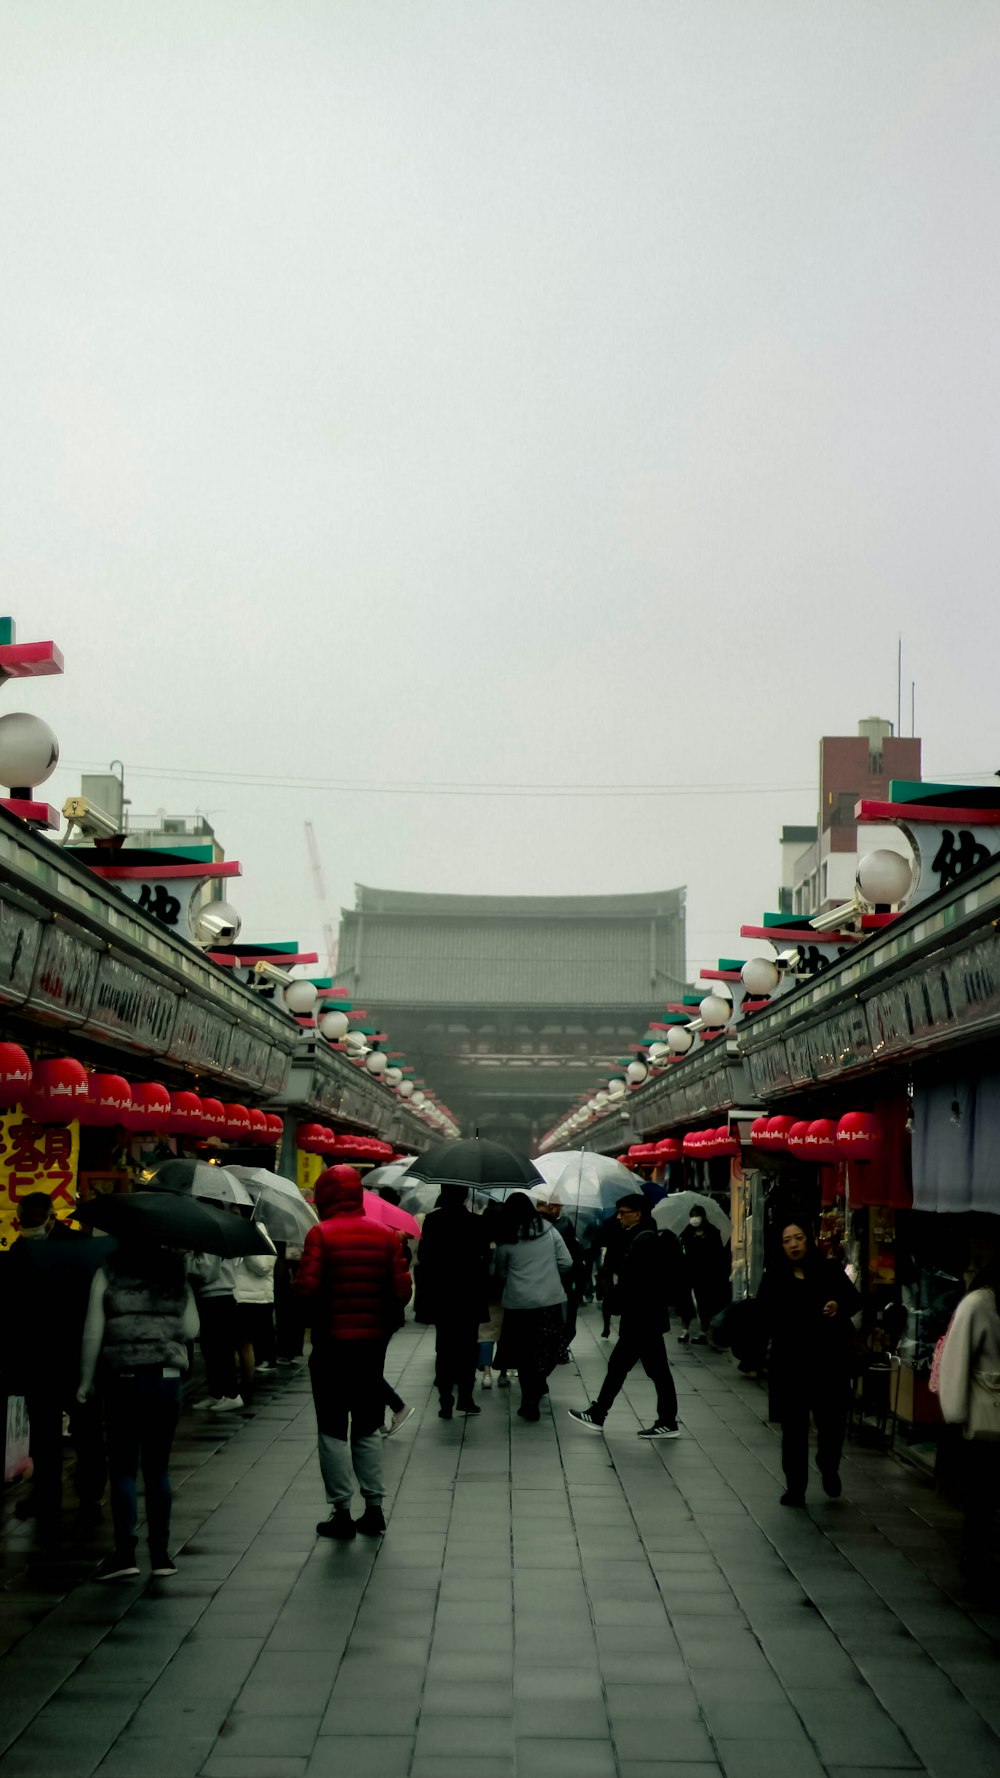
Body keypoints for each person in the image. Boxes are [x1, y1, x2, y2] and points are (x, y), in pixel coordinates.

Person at [296, 1164, 412, 1540]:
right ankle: (375, 1508)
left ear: (325, 1195)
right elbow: (402, 1292)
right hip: (370, 1347)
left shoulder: (320, 1235)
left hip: (330, 1346)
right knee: (366, 1426)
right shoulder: (386, 1236)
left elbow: (306, 1291)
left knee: (331, 1429)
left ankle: (342, 1512)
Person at [77, 1240, 199, 1580]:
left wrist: (85, 1381)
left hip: (124, 1379)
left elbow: (93, 1331)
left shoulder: (109, 1269)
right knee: (158, 1469)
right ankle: (161, 1556)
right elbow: (192, 1329)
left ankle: (125, 1554)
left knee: (123, 1468)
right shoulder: (176, 1270)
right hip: (166, 1379)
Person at [0, 1192, 109, 1540]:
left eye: (35, 1220)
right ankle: (47, 1495)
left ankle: (90, 1496)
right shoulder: (19, 1251)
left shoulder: (80, 1247)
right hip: (38, 1358)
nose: (30, 1227)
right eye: (25, 1221)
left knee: (87, 1431)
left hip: (79, 1355)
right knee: (44, 1434)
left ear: (51, 1217)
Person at [756, 1218, 861, 1506]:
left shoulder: (829, 1270)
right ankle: (795, 1486)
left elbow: (854, 1300)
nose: (793, 1244)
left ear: (808, 1239)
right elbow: (763, 1314)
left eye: (798, 1237)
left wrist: (838, 1305)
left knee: (832, 1424)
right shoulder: (775, 1275)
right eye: (787, 1239)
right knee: (793, 1430)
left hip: (829, 1363)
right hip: (791, 1364)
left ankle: (828, 1466)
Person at [569, 1194, 683, 1438]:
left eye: (623, 1212)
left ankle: (665, 1421)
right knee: (635, 1368)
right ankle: (601, 1413)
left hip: (642, 1318)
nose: (618, 1217)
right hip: (645, 1317)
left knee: (640, 1369)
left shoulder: (644, 1240)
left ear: (638, 1214)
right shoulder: (642, 1236)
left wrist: (613, 1296)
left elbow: (634, 1282)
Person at [938, 1256, 1000, 1574]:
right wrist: (956, 1413)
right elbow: (956, 1360)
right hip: (986, 1415)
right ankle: (975, 1554)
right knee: (982, 1492)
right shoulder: (979, 1303)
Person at [492, 1193, 573, 1421]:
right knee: (548, 1348)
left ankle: (530, 1398)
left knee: (524, 1353)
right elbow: (567, 1263)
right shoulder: (550, 1231)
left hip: (518, 1304)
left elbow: (499, 1271)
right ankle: (537, 1385)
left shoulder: (506, 1237)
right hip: (549, 1301)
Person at [415, 1185, 491, 1419]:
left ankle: (445, 1400)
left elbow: (424, 1256)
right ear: (466, 1196)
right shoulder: (476, 1223)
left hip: (442, 1295)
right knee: (468, 1347)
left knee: (444, 1347)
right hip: (469, 1294)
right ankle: (466, 1398)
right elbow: (484, 1256)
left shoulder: (432, 1220)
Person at [189, 1248, 243, 1412]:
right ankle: (217, 1393)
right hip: (211, 1297)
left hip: (218, 1298)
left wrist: (185, 1258)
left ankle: (232, 1394)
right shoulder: (209, 1242)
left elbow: (206, 1271)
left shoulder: (212, 1244)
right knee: (210, 1348)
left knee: (221, 1349)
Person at [535, 1197, 584, 1360]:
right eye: (557, 1206)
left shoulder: (530, 1226)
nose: (560, 1209)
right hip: (560, 1283)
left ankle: (554, 1348)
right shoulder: (561, 1226)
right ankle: (558, 1348)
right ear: (549, 1206)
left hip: (541, 1284)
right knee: (564, 1321)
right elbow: (569, 1261)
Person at [233, 1235, 277, 1407]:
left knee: (245, 1343)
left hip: (253, 1298)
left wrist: (245, 1247)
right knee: (237, 1343)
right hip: (239, 1295)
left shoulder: (261, 1238)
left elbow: (263, 1266)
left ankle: (246, 1386)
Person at [678, 1206, 730, 1344]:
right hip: (688, 1272)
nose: (694, 1219)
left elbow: (718, 1254)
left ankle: (702, 1332)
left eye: (696, 1215)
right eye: (692, 1216)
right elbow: (682, 1249)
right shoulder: (687, 1232)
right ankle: (684, 1331)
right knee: (686, 1303)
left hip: (706, 1274)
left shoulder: (712, 1232)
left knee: (705, 1303)